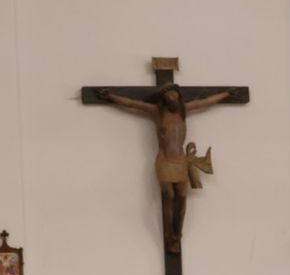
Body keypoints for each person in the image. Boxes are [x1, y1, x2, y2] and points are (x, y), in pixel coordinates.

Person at [94, 82, 236, 253]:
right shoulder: (157, 112)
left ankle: (178, 234)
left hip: (180, 161)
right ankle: (169, 236)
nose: (172, 98)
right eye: (168, 95)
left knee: (182, 196)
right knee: (168, 196)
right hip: (165, 161)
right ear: (164, 98)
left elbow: (205, 102)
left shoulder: (185, 111)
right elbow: (131, 104)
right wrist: (110, 96)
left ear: (179, 96)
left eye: (175, 94)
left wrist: (226, 94)